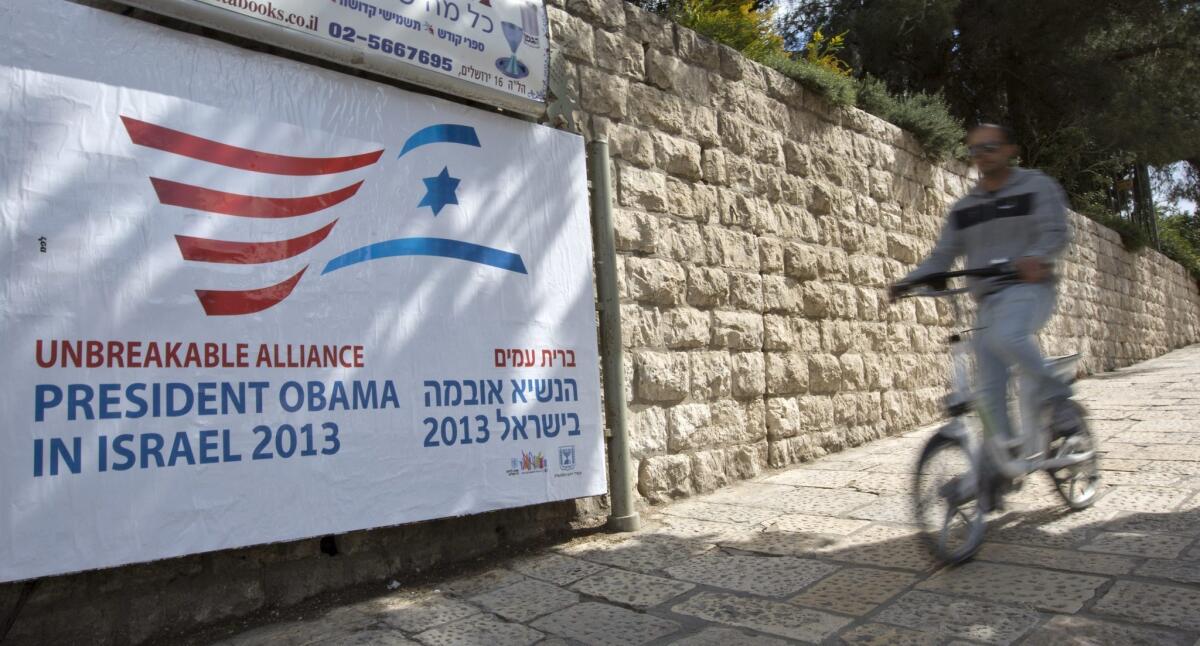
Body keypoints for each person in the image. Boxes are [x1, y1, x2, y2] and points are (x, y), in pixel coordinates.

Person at [890, 123, 1075, 464]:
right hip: (988, 301)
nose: (982, 156)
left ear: (1009, 150)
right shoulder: (964, 208)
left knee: (1008, 335)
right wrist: (908, 281)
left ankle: (1059, 399)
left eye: (990, 147)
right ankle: (1005, 463)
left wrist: (1038, 256)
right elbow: (941, 256)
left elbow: (1056, 232)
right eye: (975, 150)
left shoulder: (1037, 186)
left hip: (1030, 290)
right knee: (988, 392)